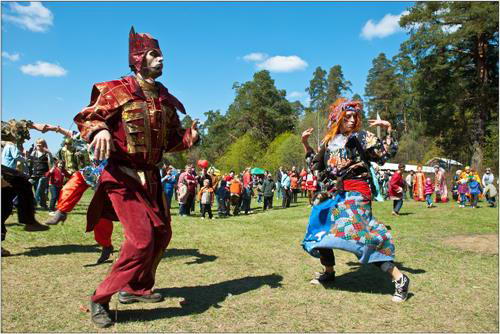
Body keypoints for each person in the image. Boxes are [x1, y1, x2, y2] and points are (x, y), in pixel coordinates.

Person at [73, 27, 199, 328]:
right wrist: (100, 129)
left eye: (161, 54)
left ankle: (135, 288)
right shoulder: (116, 89)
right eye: (154, 54)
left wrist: (188, 137)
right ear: (138, 57)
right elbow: (87, 117)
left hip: (152, 178)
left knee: (162, 235)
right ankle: (100, 298)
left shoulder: (167, 101)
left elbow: (170, 141)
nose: (161, 58)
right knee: (141, 240)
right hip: (121, 177)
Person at [300, 98, 410, 303]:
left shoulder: (360, 136)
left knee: (360, 236)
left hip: (357, 193)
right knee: (319, 227)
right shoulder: (329, 142)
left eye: (354, 117)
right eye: (347, 117)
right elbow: (316, 167)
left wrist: (389, 130)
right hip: (336, 194)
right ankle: (329, 271)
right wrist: (305, 144)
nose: (352, 120)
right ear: (338, 119)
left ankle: (399, 278)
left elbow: (383, 155)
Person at [29, 138, 53, 210]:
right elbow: (30, 162)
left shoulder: (46, 153)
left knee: (41, 188)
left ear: (43, 145)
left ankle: (39, 203)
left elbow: (51, 162)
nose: (38, 146)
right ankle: (39, 204)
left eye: (40, 144)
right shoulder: (34, 153)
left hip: (44, 174)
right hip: (35, 173)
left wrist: (49, 153)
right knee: (37, 189)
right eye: (37, 144)